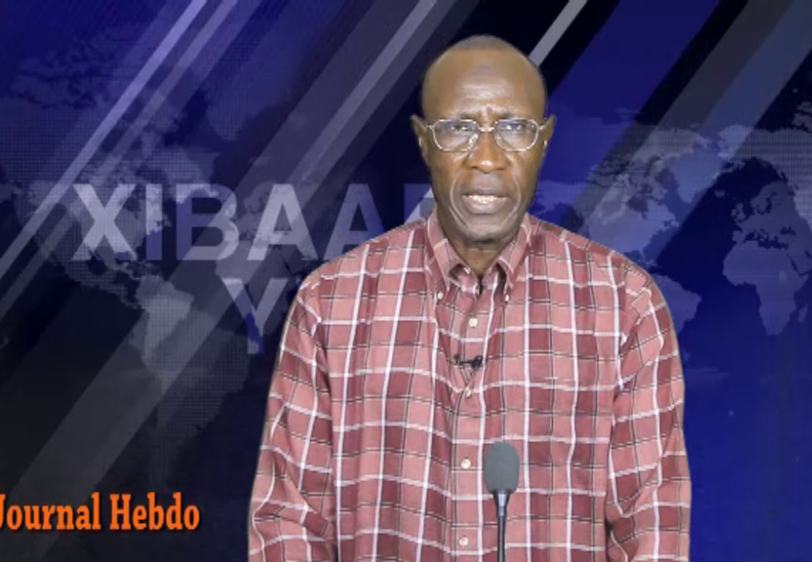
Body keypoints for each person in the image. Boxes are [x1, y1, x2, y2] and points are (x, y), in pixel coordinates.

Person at [248, 35, 690, 561]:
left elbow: (651, 526)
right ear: (424, 142)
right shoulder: (330, 303)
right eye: (458, 128)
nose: (486, 158)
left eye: (514, 128)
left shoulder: (625, 304)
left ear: (544, 141)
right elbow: (288, 522)